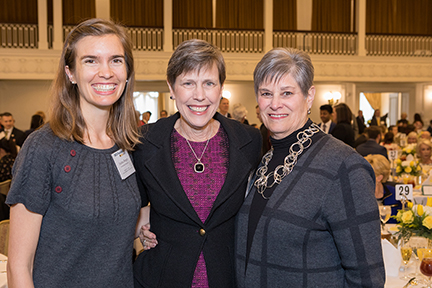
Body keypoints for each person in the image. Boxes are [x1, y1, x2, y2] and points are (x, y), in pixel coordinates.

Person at [6, 18, 141, 287]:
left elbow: (104, 221)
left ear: (127, 71)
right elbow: (18, 265)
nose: (106, 72)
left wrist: (141, 229)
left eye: (116, 60)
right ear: (70, 73)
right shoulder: (43, 148)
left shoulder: (128, 145)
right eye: (91, 60)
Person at [235, 47, 384, 287]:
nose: (275, 104)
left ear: (309, 96)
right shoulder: (265, 161)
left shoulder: (343, 166)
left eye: (286, 93)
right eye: (266, 93)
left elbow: (367, 278)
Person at [133, 39, 261, 288]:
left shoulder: (250, 141)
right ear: (171, 87)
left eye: (209, 83)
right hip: (162, 277)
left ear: (221, 87)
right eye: (188, 83)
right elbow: (129, 204)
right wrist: (140, 228)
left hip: (229, 277)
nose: (199, 95)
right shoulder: (144, 142)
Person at [365, 154, 401, 224]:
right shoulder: (359, 194)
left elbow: (403, 221)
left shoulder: (395, 194)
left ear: (379, 178)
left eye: (368, 174)